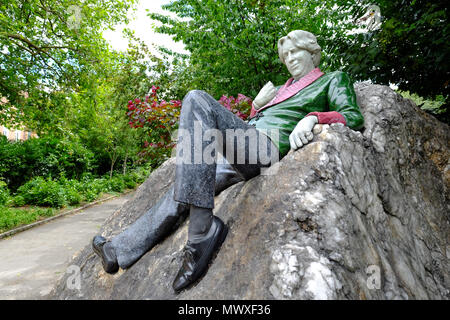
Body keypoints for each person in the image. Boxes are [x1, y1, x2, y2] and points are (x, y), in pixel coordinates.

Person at [92, 30, 364, 293]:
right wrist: (256, 106)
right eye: (286, 54)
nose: (290, 58)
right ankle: (118, 250)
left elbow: (352, 116)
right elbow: (255, 121)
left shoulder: (331, 79)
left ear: (313, 53)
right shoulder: (281, 89)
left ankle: (201, 235)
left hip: (266, 148)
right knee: (186, 187)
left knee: (196, 98)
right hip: (242, 146)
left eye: (296, 52)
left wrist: (314, 117)